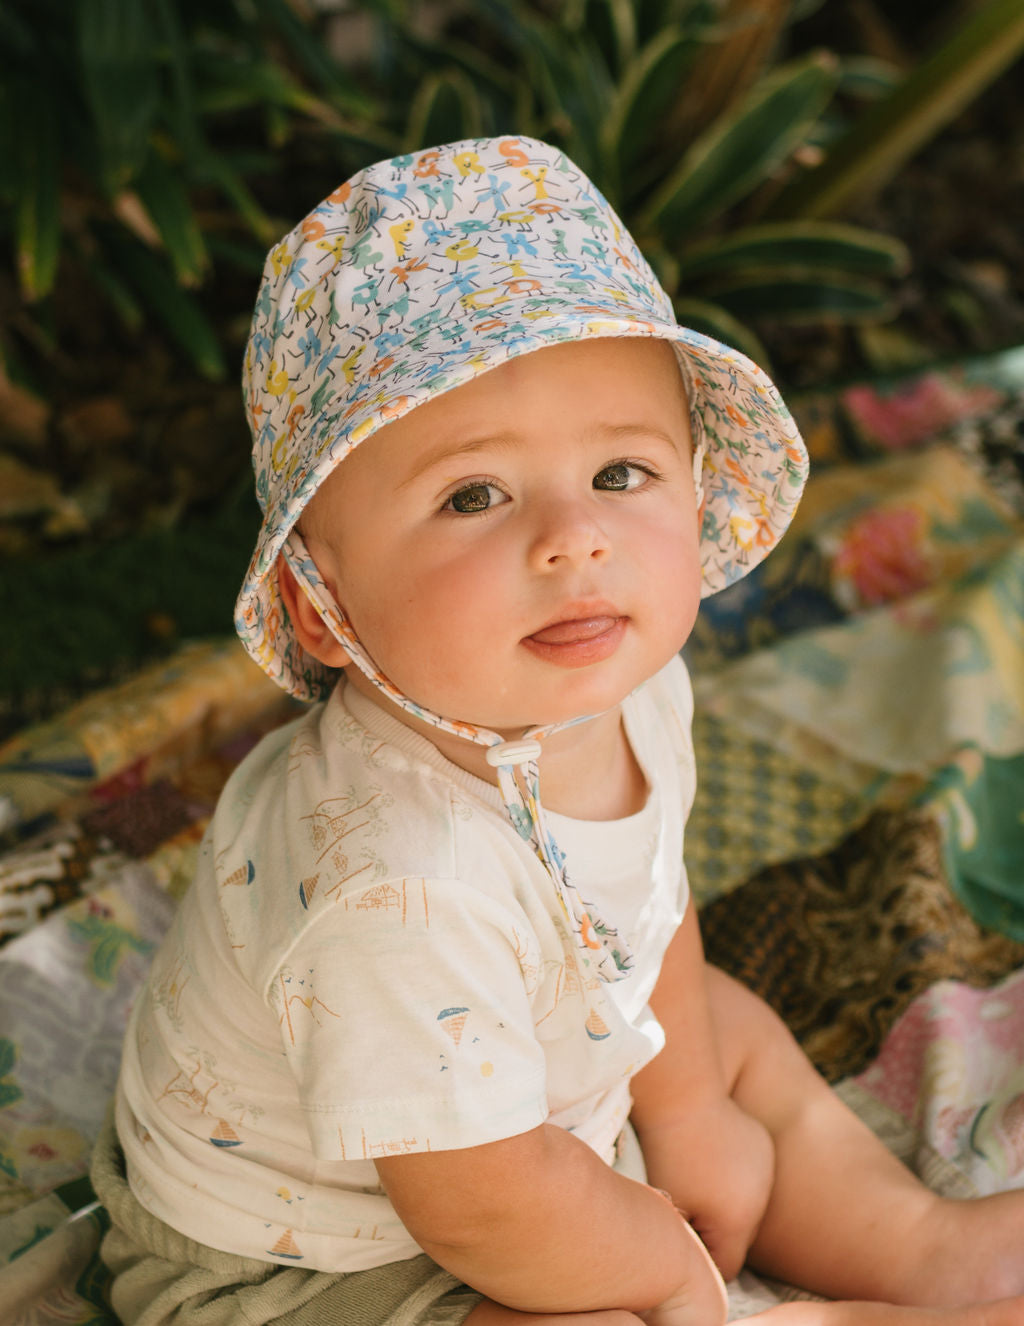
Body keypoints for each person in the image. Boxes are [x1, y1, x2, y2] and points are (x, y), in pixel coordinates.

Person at [91, 137, 1024, 1326]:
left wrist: (685, 1112)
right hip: (320, 1254)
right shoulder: (392, 885)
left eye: (622, 473)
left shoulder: (622, 684)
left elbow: (651, 907)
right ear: (317, 608)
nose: (574, 540)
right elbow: (480, 1207)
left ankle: (920, 1249)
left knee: (724, 1040)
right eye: (473, 496)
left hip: (527, 1103)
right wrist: (670, 1272)